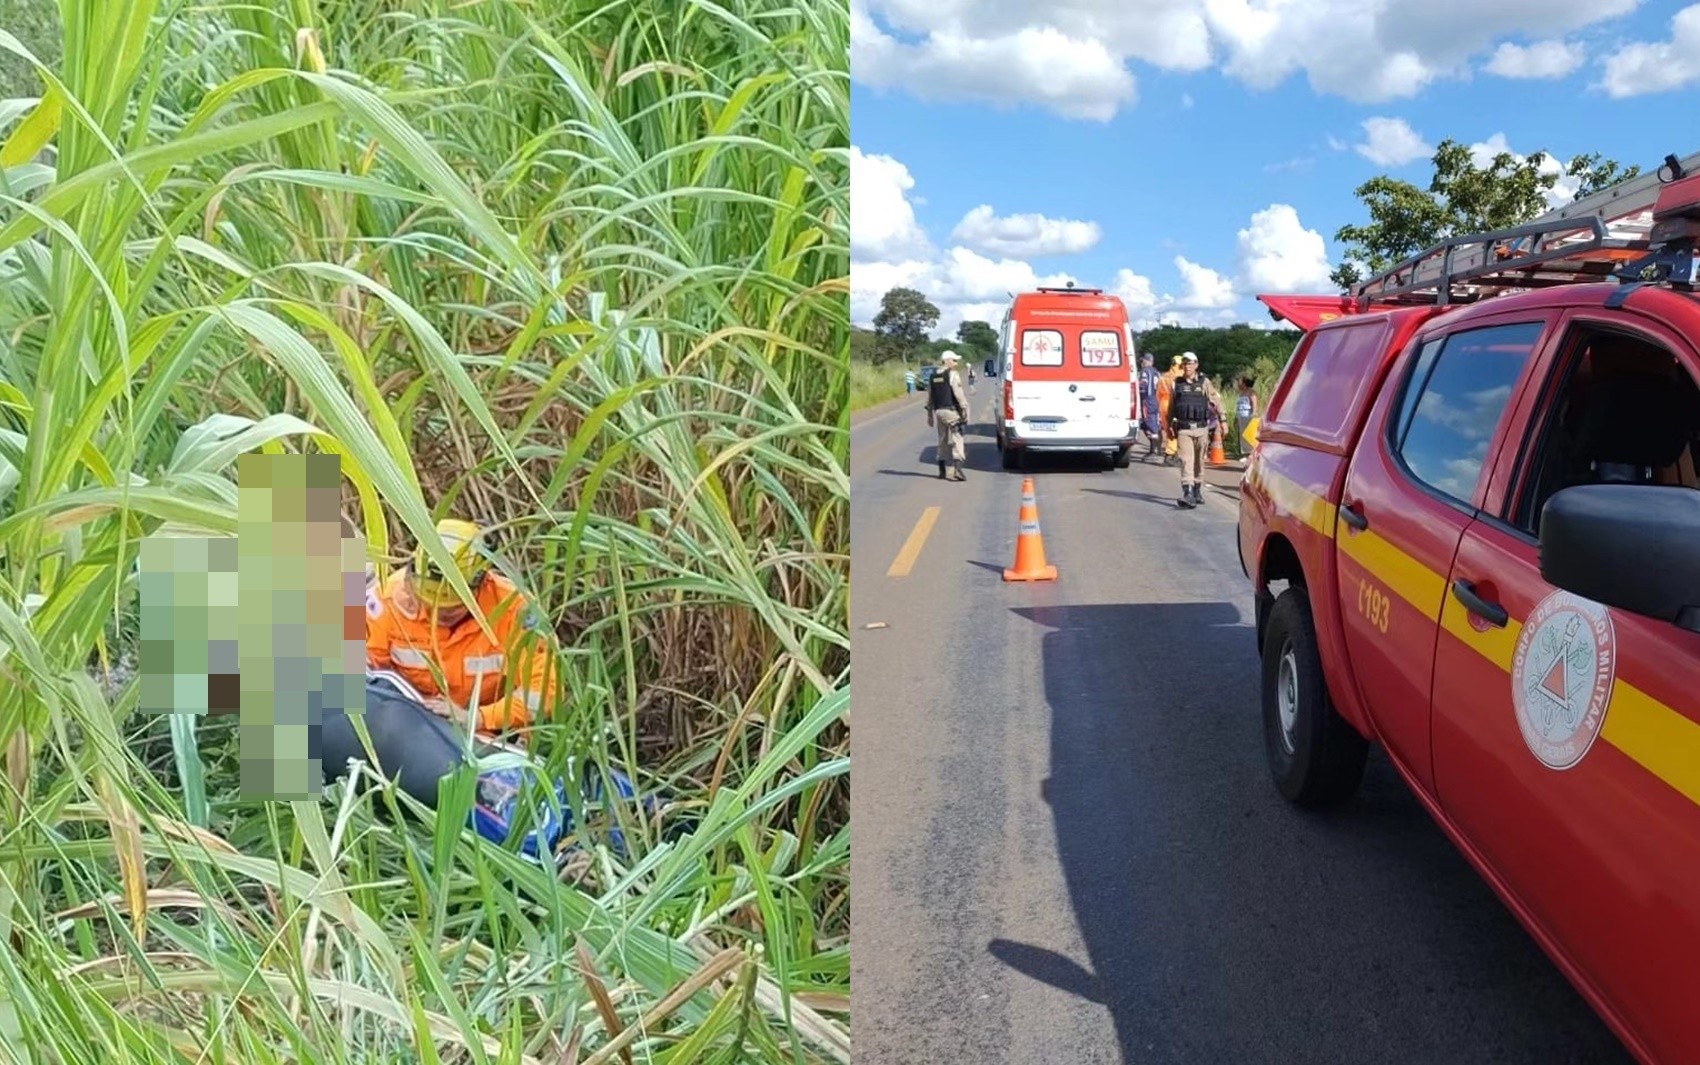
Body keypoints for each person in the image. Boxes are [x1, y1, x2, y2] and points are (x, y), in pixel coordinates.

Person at [365, 518, 560, 734]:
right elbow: (365, 673)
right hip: (404, 729)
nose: (439, 614)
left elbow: (543, 692)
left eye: (452, 608)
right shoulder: (386, 601)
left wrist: (479, 718)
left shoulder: (514, 610)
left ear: (481, 584)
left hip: (487, 735)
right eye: (430, 604)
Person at [1167, 352, 1221, 509]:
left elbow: (1216, 401)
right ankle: (1188, 493)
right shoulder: (1176, 383)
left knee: (1199, 462)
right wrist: (1169, 425)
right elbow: (1171, 407)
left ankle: (1197, 490)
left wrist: (1223, 421)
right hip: (1184, 429)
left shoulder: (1204, 382)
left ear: (1196, 365)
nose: (1187, 366)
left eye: (1190, 363)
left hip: (1201, 429)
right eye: (1185, 363)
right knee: (1186, 461)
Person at [926, 350, 970, 481]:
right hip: (950, 411)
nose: (956, 363)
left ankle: (941, 470)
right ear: (946, 361)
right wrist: (964, 409)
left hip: (939, 412)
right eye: (954, 360)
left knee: (942, 439)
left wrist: (929, 414)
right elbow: (958, 394)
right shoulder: (952, 375)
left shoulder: (933, 376)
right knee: (958, 435)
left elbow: (929, 397)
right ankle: (958, 469)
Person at [1137, 353, 1161, 456]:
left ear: (1148, 361)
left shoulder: (1145, 372)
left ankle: (1153, 450)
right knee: (1153, 423)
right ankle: (1156, 448)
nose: (1142, 363)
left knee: (1149, 424)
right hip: (1156, 399)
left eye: (1143, 361)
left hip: (1147, 400)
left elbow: (1143, 385)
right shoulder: (1157, 372)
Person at [1235, 375, 1258, 458]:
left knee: (1248, 436)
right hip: (1240, 417)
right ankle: (1242, 453)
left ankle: (1249, 454)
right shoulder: (1241, 393)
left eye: (1240, 382)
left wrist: (1253, 414)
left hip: (1248, 417)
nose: (1238, 384)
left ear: (1244, 383)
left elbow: (1254, 404)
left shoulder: (1251, 393)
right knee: (1241, 436)